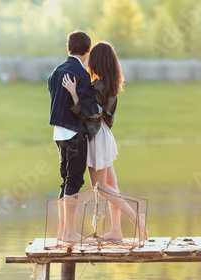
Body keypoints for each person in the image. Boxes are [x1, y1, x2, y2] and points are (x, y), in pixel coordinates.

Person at [62, 41, 148, 241]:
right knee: (111, 182)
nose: (89, 61)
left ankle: (136, 218)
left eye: (92, 58)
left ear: (97, 61)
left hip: (96, 135)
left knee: (99, 186)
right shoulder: (110, 83)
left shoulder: (98, 85)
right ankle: (116, 231)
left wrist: (74, 93)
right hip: (104, 134)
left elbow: (90, 113)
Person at [48, 31, 100, 242]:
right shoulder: (81, 73)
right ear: (87, 52)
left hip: (58, 133)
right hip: (75, 133)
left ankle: (63, 232)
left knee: (65, 181)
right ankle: (70, 233)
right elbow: (88, 109)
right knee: (75, 181)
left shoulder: (55, 72)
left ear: (68, 48)